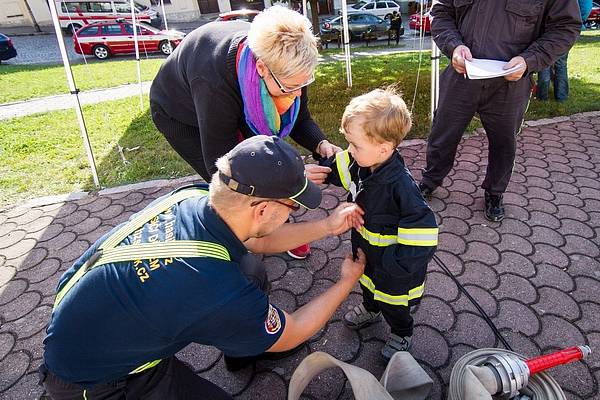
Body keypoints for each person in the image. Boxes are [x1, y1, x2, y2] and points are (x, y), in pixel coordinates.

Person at [39, 136, 366, 400]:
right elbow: (292, 330)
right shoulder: (214, 288)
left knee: (250, 270)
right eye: (293, 207)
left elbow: (258, 241)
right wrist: (345, 282)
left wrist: (326, 226)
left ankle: (245, 349)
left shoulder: (194, 197)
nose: (293, 212)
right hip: (94, 379)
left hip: (100, 322)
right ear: (263, 209)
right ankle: (250, 338)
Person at [150, 5, 341, 259]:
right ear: (261, 68)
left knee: (264, 170)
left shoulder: (289, 66)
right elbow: (221, 165)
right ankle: (234, 242)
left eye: (303, 84)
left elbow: (300, 119)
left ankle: (277, 229)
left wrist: (320, 143)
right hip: (180, 115)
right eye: (291, 88)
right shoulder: (214, 84)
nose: (297, 94)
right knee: (230, 187)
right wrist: (289, 177)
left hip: (232, 92)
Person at [419, 0, 582, 222]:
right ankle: (429, 181)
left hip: (511, 83)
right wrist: (453, 45)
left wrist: (529, 61)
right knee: (442, 133)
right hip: (462, 75)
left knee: (504, 143)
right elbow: (441, 12)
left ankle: (495, 193)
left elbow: (565, 27)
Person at [319, 88, 438, 361]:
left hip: (395, 268)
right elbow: (339, 166)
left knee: (394, 304)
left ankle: (401, 332)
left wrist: (397, 267)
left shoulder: (402, 187)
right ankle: (371, 310)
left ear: (383, 149)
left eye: (355, 145)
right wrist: (323, 173)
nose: (349, 150)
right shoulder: (362, 163)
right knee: (367, 285)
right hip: (367, 252)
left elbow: (424, 235)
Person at [537, 0, 593, 102]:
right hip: (562, 30)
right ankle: (560, 97)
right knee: (559, 64)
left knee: (544, 63)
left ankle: (543, 97)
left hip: (555, 29)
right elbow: (586, 7)